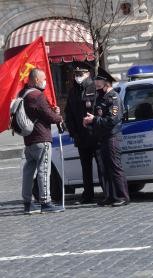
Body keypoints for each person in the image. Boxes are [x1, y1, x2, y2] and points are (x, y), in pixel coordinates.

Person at [83, 70, 130, 207]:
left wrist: (94, 120)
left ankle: (122, 196)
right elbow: (97, 115)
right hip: (102, 137)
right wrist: (89, 121)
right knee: (105, 169)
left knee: (115, 167)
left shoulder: (113, 98)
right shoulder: (101, 97)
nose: (97, 87)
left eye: (99, 85)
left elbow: (112, 119)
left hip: (112, 136)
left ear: (106, 83)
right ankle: (110, 196)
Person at [21, 68, 64, 214]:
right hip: (41, 137)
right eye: (43, 78)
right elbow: (48, 116)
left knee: (28, 172)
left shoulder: (23, 94)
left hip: (29, 139)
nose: (45, 81)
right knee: (44, 170)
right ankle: (45, 201)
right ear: (37, 80)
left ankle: (27, 203)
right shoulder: (37, 95)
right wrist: (59, 117)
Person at [65, 63, 103, 204]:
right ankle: (88, 195)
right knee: (85, 168)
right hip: (81, 136)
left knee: (101, 166)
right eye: (76, 75)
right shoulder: (73, 91)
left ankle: (106, 192)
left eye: (80, 75)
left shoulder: (94, 88)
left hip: (95, 134)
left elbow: (99, 109)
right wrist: (73, 132)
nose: (77, 77)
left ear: (88, 74)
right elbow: (69, 114)